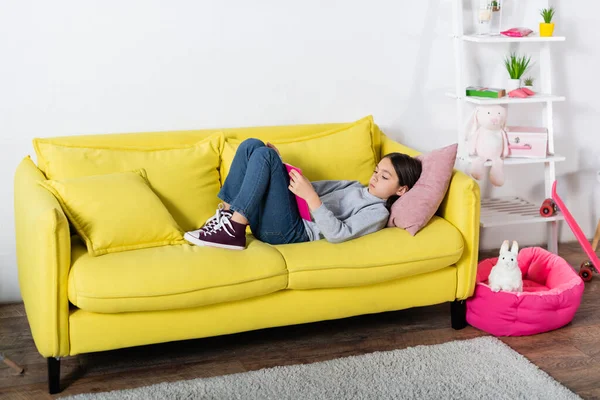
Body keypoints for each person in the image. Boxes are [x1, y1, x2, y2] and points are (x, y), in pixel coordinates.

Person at [184, 138, 422, 250]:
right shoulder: (354, 186)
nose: (374, 177)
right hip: (287, 216)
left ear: (401, 190)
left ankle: (234, 231)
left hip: (293, 232)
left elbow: (338, 234)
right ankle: (227, 218)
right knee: (251, 146)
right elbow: (304, 189)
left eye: (384, 177)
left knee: (264, 157)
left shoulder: (377, 212)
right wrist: (278, 168)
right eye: (376, 171)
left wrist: (312, 199)